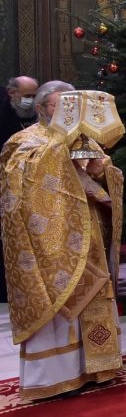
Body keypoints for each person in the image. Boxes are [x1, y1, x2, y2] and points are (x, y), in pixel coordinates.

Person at [1, 83, 124, 399]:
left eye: (72, 106)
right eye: (60, 106)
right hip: (49, 242)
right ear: (41, 108)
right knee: (58, 301)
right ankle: (55, 377)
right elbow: (21, 186)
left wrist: (100, 170)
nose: (68, 113)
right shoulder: (23, 141)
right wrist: (62, 148)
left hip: (88, 233)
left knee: (94, 291)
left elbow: (102, 173)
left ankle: (99, 367)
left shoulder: (83, 140)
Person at [0, 76, 38, 303]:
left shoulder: (36, 115)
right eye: (27, 96)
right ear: (12, 93)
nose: (30, 101)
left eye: (34, 96)